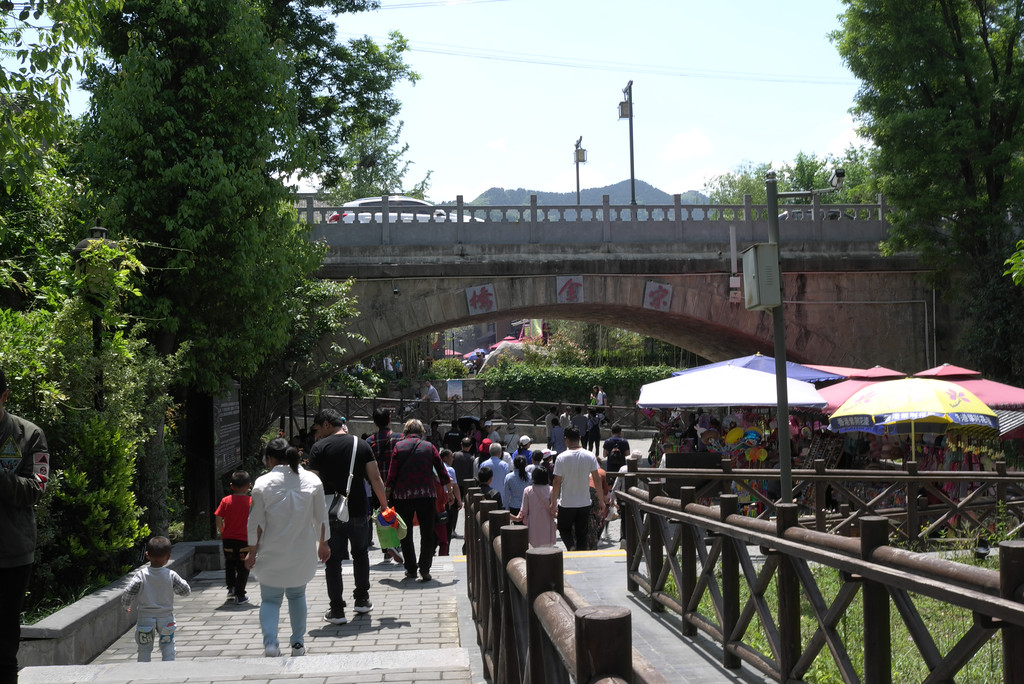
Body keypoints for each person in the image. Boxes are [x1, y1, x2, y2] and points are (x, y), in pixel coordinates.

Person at [245, 440, 331, 657]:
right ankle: (298, 643)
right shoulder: (312, 480)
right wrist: (324, 543)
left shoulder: (262, 483)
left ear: (271, 459)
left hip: (270, 552)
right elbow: (321, 517)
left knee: (270, 599)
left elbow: (254, 522)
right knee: (297, 595)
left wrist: (252, 551)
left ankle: (271, 644)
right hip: (301, 551)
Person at [307, 409, 389, 625]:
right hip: (358, 510)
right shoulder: (360, 445)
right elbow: (376, 478)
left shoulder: (318, 448)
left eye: (318, 429)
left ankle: (337, 611)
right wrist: (384, 505)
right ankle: (362, 600)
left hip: (329, 513)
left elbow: (312, 486)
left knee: (331, 560)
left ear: (326, 424)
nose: (317, 434)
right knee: (361, 554)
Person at [0, 368, 47, 683]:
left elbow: (37, 487)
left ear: (3, 396)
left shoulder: (29, 434)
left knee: (4, 642)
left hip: (11, 555)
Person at [386, 419, 451, 582]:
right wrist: (449, 490)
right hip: (426, 495)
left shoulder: (398, 447)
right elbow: (442, 470)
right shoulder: (429, 447)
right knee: (427, 533)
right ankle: (425, 568)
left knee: (404, 534)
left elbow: (392, 474)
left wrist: (386, 495)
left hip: (403, 497)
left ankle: (411, 568)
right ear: (422, 432)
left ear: (405, 431)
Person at [121, 536, 192, 662]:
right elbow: (185, 590)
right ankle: (168, 667)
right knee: (168, 645)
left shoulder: (141, 575)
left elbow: (129, 591)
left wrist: (127, 605)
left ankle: (143, 670)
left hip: (145, 618)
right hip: (166, 617)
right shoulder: (170, 575)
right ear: (168, 557)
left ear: (147, 555)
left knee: (144, 648)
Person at [549, 426, 605, 551]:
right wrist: (601, 501)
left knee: (564, 529)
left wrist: (553, 503)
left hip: (567, 503)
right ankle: (580, 554)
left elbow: (557, 481)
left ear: (565, 439)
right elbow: (596, 480)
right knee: (582, 533)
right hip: (584, 502)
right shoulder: (590, 455)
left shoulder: (561, 457)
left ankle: (571, 547)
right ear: (579, 438)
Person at [364, 408, 403, 565]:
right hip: (396, 485)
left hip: (376, 486)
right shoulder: (400, 438)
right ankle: (396, 545)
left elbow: (365, 468)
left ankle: (387, 550)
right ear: (389, 420)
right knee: (396, 515)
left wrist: (371, 482)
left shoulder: (369, 442)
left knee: (381, 516)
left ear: (375, 422)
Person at [214, 470, 252, 603]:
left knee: (230, 563)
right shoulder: (251, 502)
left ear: (231, 486)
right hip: (244, 540)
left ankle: (231, 588)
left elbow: (219, 516)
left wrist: (222, 530)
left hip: (228, 539)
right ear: (248, 486)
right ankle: (240, 594)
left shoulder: (226, 500)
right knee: (243, 567)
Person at [510, 466, 556, 548]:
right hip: (548, 526)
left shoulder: (528, 490)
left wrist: (517, 518)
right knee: (548, 551)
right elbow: (554, 510)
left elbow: (523, 511)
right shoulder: (551, 490)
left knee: (534, 551)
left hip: (533, 525)